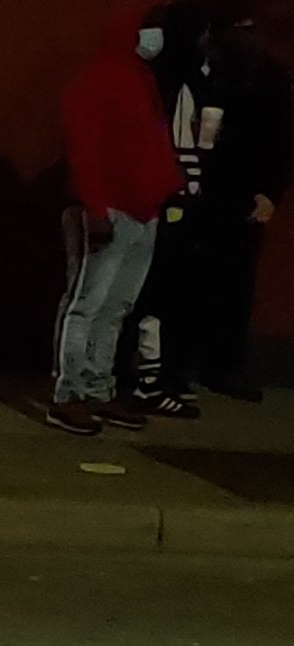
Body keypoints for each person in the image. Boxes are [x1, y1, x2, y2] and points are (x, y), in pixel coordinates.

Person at [49, 2, 183, 436]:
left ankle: (98, 389)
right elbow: (84, 147)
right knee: (86, 303)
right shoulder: (99, 80)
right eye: (150, 28)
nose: (156, 37)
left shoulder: (140, 79)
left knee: (115, 308)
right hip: (109, 210)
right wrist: (96, 208)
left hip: (142, 209)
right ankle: (68, 394)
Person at [125, 0, 215, 418]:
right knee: (156, 292)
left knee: (153, 290)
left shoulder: (159, 78)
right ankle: (148, 380)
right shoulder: (179, 82)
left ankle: (145, 376)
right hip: (171, 197)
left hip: (167, 196)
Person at [196, 0, 289, 401]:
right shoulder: (258, 72)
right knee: (228, 282)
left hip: (227, 189)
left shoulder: (239, 73)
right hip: (233, 190)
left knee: (226, 281)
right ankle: (219, 365)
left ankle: (213, 363)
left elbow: (284, 141)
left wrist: (270, 192)